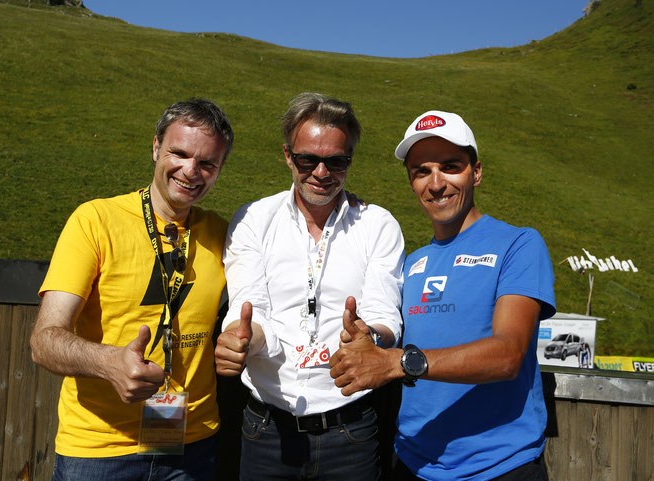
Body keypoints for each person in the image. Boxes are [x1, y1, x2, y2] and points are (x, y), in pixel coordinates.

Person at [330, 110, 556, 481]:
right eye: (421, 171)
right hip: (413, 463)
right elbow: (401, 338)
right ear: (412, 182)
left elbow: (508, 355)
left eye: (450, 166)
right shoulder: (413, 262)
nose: (436, 184)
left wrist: (394, 363)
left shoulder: (519, 243)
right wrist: (369, 339)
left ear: (477, 172)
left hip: (499, 467)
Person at [29, 98, 234, 481]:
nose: (191, 171)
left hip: (193, 447)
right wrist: (109, 363)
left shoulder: (225, 234)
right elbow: (44, 341)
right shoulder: (95, 221)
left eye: (207, 163)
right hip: (98, 450)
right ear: (156, 147)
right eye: (180, 153)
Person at [214, 92, 405, 481]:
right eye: (308, 159)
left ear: (350, 159)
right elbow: (250, 308)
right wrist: (244, 338)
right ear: (288, 156)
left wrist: (373, 338)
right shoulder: (253, 219)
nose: (321, 172)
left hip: (350, 430)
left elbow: (386, 315)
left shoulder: (378, 224)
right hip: (267, 428)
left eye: (336, 161)